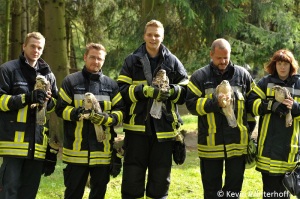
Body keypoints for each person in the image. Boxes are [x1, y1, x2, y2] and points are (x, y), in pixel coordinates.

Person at [117, 19, 189, 199]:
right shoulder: (132, 61)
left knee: (160, 180)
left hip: (164, 131)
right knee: (132, 179)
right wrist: (144, 91)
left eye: (157, 35)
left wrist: (172, 91)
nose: (153, 38)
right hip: (137, 130)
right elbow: (121, 91)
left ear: (162, 37)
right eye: (150, 34)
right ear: (144, 36)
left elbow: (187, 88)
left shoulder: (172, 61)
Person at [185, 38, 256, 199]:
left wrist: (247, 131)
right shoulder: (199, 76)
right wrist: (214, 103)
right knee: (212, 192)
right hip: (210, 145)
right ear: (211, 55)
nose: (223, 61)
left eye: (226, 57)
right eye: (219, 58)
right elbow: (191, 104)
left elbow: (252, 105)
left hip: (238, 144)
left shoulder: (243, 75)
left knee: (233, 191)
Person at [55, 43, 125, 199]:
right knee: (73, 194)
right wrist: (78, 113)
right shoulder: (71, 82)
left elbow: (121, 112)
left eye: (100, 59)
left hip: (102, 151)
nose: (96, 61)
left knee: (98, 194)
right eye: (92, 57)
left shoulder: (111, 85)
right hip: (76, 151)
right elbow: (60, 109)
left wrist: (108, 118)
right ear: (85, 57)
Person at [0, 32, 58, 199]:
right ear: (23, 46)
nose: (36, 50)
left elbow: (54, 106)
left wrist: (48, 101)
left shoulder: (48, 74)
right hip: (13, 144)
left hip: (37, 146)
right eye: (32, 46)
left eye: (40, 47)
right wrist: (27, 98)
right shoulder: (8, 70)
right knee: (8, 191)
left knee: (29, 193)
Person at [247, 49, 300, 199]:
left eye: (286, 64)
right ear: (274, 65)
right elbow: (251, 104)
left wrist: (295, 108)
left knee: (284, 195)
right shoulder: (265, 82)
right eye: (279, 63)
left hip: (289, 151)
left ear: (291, 65)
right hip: (268, 152)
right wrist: (270, 106)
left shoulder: (299, 84)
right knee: (270, 195)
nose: (282, 67)